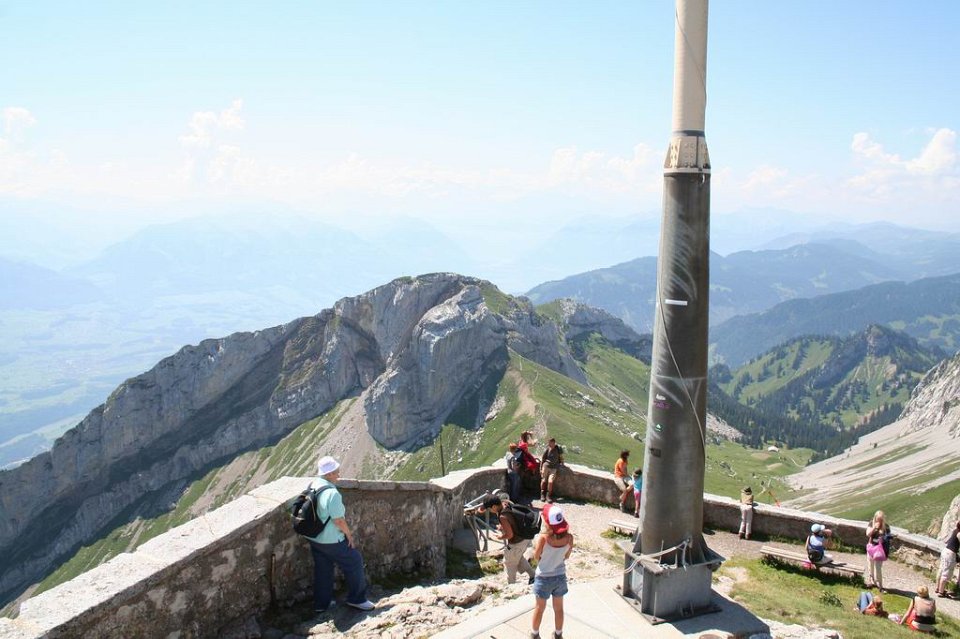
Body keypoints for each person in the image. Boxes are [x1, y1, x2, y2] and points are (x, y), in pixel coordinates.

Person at [306, 456, 376, 613]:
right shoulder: (332, 494)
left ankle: (321, 604)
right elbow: (338, 520)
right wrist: (348, 535)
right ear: (329, 474)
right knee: (354, 560)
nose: (339, 474)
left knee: (323, 568)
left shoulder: (313, 484)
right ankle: (357, 599)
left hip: (314, 537)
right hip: (331, 539)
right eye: (336, 471)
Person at [531, 503, 574, 639]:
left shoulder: (544, 539)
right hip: (560, 576)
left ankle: (535, 634)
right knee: (559, 608)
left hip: (543, 577)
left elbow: (536, 556)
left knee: (539, 608)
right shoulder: (569, 538)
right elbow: (566, 556)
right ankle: (558, 634)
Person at [481, 495, 535, 585]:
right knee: (518, 558)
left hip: (517, 542)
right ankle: (533, 576)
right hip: (524, 538)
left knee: (509, 563)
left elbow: (510, 535)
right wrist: (503, 527)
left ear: (494, 507)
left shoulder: (502, 516)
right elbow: (512, 521)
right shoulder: (505, 504)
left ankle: (511, 585)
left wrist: (500, 537)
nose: (489, 511)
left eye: (489, 509)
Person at [865, 510, 890, 591]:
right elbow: (868, 534)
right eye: (877, 519)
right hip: (871, 547)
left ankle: (880, 585)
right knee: (870, 565)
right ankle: (872, 581)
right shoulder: (871, 523)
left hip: (880, 550)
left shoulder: (886, 527)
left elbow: (888, 538)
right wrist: (874, 528)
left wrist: (883, 537)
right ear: (875, 518)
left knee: (878, 567)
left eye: (881, 519)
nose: (879, 521)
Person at [936, 520, 960, 597]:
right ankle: (941, 592)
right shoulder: (959, 533)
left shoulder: (955, 530)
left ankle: (938, 588)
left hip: (945, 551)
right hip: (950, 554)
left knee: (941, 570)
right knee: (946, 573)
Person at [539, 438, 564, 503]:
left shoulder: (558, 448)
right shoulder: (547, 448)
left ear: (554, 443)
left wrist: (562, 463)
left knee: (550, 482)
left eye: (550, 443)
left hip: (554, 468)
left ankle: (548, 495)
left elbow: (561, 456)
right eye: (549, 443)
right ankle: (542, 494)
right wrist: (541, 468)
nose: (549, 445)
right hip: (546, 466)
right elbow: (543, 458)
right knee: (543, 480)